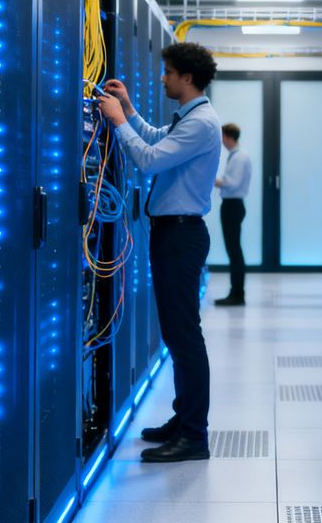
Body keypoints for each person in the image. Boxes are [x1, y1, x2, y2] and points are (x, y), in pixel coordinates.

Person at [97, 42, 222, 463]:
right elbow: (156, 139)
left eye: (168, 73)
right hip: (174, 235)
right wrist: (129, 111)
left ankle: (193, 435)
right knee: (177, 334)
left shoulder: (202, 123)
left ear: (188, 78)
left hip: (181, 236)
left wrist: (116, 123)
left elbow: (149, 159)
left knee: (184, 336)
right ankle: (183, 418)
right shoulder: (191, 119)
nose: (163, 79)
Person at [213, 123, 252, 306]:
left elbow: (232, 183)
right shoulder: (237, 156)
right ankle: (236, 292)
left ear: (228, 137)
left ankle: (237, 294)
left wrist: (210, 179)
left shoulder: (239, 158)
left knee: (234, 251)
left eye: (222, 136)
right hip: (233, 205)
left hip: (232, 206)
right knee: (234, 250)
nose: (221, 140)